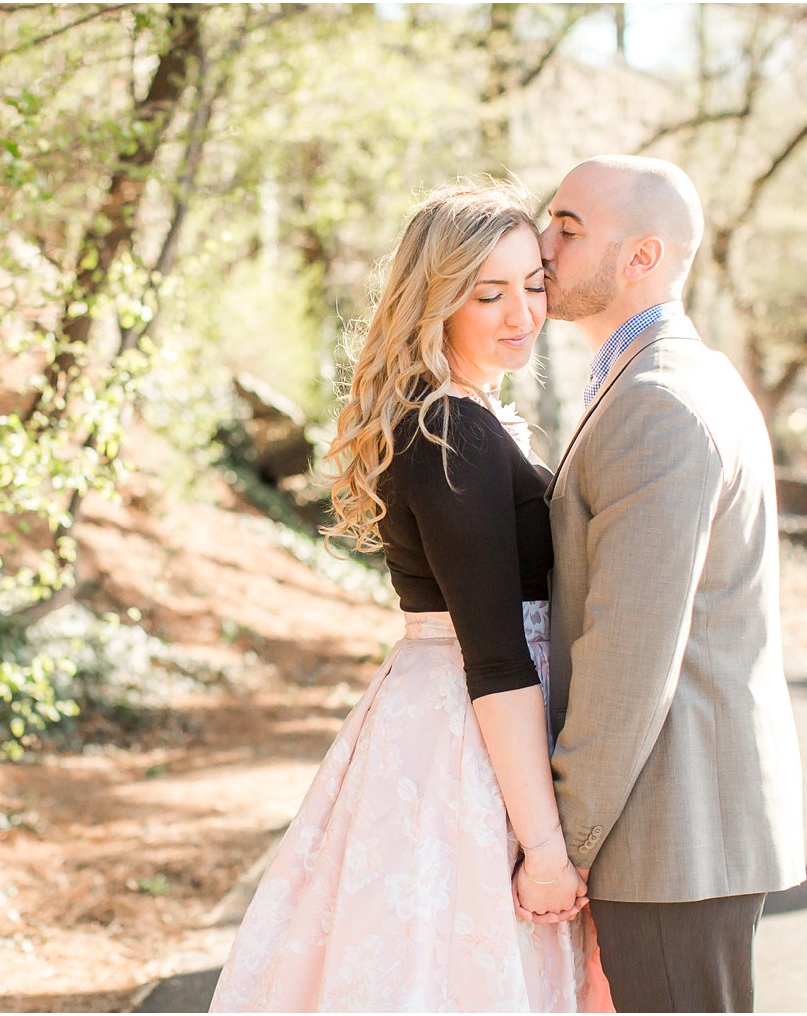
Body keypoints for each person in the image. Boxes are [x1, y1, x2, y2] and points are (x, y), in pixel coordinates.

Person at [208, 181, 612, 1012]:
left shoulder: (468, 415)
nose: (521, 314)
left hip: (471, 727)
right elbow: (494, 655)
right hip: (469, 736)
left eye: (532, 284)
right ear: (436, 300)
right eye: (486, 292)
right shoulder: (448, 429)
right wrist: (542, 847)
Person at [531, 154, 807, 1013]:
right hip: (669, 831)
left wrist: (562, 843)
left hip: (672, 836)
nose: (542, 245)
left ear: (642, 258)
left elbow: (629, 653)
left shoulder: (661, 402)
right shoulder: (660, 380)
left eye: (569, 229)